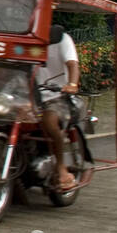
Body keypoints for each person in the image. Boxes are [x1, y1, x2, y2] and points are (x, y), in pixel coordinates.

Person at [39, 24, 81, 189]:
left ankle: (61, 167)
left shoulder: (61, 38)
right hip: (29, 97)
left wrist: (71, 84)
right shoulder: (24, 37)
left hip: (57, 97)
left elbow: (72, 64)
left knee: (49, 121)